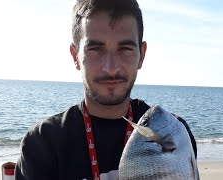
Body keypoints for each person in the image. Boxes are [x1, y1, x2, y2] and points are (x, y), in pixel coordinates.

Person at [15, 0, 197, 179]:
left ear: (141, 55)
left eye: (125, 49)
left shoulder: (171, 133)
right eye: (95, 49)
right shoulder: (42, 144)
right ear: (75, 56)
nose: (111, 68)